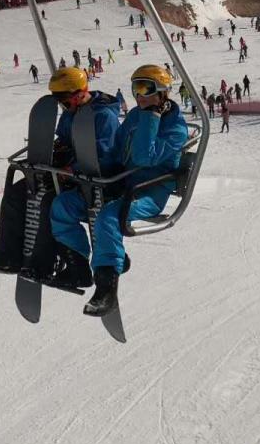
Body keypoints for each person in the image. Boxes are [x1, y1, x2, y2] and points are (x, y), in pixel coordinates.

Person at [48, 65, 188, 316]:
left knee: (109, 216)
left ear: (162, 92)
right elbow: (114, 151)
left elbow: (145, 157)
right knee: (63, 205)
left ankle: (106, 290)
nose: (140, 95)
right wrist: (78, 165)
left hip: (149, 191)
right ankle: (78, 268)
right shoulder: (135, 116)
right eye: (136, 88)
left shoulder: (175, 129)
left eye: (146, 88)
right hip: (121, 182)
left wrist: (151, 117)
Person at [0, 67, 120, 278]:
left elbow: (105, 155)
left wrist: (72, 168)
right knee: (18, 193)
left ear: (80, 93)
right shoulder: (70, 114)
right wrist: (52, 155)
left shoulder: (103, 116)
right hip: (65, 174)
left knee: (47, 201)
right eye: (60, 103)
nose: (64, 107)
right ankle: (8, 256)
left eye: (65, 102)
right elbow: (65, 141)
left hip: (92, 179)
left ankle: (45, 263)